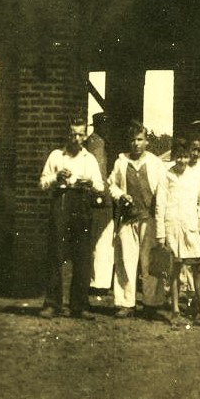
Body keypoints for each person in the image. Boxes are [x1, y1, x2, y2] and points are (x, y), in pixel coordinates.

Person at [38, 119, 105, 320]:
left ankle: (80, 305)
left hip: (82, 207)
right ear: (68, 135)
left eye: (80, 135)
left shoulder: (89, 159)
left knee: (83, 257)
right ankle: (52, 304)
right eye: (73, 134)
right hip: (61, 205)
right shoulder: (57, 156)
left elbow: (101, 187)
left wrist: (90, 183)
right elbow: (42, 183)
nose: (76, 139)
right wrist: (56, 177)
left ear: (85, 136)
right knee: (56, 256)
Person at [106, 122, 165, 318]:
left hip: (149, 219)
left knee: (149, 262)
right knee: (125, 261)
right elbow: (111, 185)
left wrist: (159, 220)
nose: (136, 144)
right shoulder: (121, 162)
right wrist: (121, 195)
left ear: (146, 141)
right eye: (132, 140)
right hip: (128, 218)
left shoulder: (156, 163)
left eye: (140, 139)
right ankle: (126, 303)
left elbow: (162, 192)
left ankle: (151, 303)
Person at [155, 137, 200, 325]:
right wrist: (160, 233)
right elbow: (160, 205)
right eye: (178, 157)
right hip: (171, 225)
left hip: (190, 225)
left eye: (185, 157)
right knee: (175, 269)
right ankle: (175, 311)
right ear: (174, 157)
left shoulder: (196, 175)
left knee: (198, 266)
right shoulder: (166, 175)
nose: (182, 161)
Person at [85, 112, 115, 291]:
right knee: (102, 240)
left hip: (97, 198)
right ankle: (99, 282)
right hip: (100, 200)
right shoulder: (97, 144)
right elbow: (100, 173)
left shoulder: (92, 142)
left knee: (98, 240)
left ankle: (97, 280)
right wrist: (104, 195)